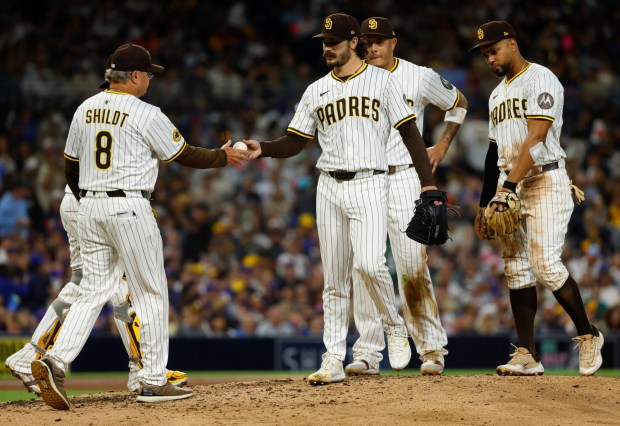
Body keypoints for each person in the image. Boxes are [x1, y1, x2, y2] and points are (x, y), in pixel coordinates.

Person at [30, 43, 250, 410]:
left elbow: (70, 165)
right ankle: (152, 380)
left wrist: (87, 201)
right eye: (148, 73)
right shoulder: (146, 112)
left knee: (92, 290)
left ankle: (55, 359)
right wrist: (223, 156)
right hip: (130, 205)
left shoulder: (85, 108)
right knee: (150, 293)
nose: (150, 79)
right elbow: (184, 155)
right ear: (133, 76)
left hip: (90, 204)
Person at [244, 13, 445, 385]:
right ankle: (333, 357)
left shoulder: (382, 82)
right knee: (335, 281)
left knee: (371, 265)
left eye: (333, 41)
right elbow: (296, 141)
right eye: (323, 42)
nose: (327, 47)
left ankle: (395, 327)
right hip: (329, 186)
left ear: (354, 42)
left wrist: (428, 183)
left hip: (370, 182)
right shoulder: (316, 90)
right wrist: (263, 148)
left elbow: (411, 135)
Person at [470, 21, 603, 376]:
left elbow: (537, 139)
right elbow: (493, 151)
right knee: (515, 267)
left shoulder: (541, 79)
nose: (489, 58)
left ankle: (589, 335)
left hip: (543, 178)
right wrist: (485, 203)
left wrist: (508, 189)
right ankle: (527, 353)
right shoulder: (496, 94)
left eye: (494, 49)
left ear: (512, 44)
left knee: (544, 263)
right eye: (484, 54)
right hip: (508, 183)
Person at [345, 17, 468, 377]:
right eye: (367, 42)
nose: (373, 48)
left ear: (394, 42)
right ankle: (368, 352)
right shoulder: (354, 78)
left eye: (380, 41)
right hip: (365, 180)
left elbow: (458, 103)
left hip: (403, 177)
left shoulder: (419, 75)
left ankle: (430, 349)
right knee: (364, 267)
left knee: (413, 265)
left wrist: (443, 143)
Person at [4, 188, 188, 396]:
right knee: (122, 284)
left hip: (82, 198)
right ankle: (144, 371)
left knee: (84, 284)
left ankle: (31, 357)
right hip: (103, 201)